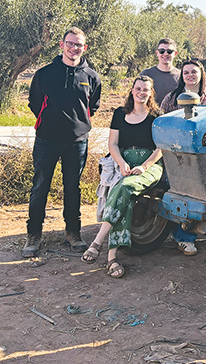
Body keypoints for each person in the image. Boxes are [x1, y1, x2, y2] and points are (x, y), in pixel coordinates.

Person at [23, 28, 102, 258]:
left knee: (72, 188)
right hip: (46, 140)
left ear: (84, 48)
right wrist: (50, 121)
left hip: (77, 142)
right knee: (40, 187)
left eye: (78, 45)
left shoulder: (92, 76)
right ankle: (34, 235)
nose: (74, 48)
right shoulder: (45, 74)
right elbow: (34, 103)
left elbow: (93, 107)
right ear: (61, 44)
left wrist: (77, 125)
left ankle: (73, 233)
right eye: (70, 43)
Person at [80, 76, 164, 278]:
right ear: (132, 90)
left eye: (146, 89)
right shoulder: (120, 113)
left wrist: (144, 166)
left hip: (150, 164)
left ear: (151, 93)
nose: (141, 92)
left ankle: (98, 240)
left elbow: (161, 148)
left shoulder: (157, 116)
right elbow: (113, 144)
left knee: (125, 186)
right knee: (125, 195)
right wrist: (121, 163)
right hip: (124, 160)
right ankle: (112, 258)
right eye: (138, 88)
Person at [160, 59, 206, 255]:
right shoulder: (171, 98)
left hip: (204, 156)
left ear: (201, 74)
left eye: (194, 72)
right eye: (186, 72)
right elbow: (161, 123)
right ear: (181, 76)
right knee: (179, 192)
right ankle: (183, 237)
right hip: (174, 154)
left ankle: (192, 232)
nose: (190, 75)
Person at [141, 38, 180, 105]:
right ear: (157, 53)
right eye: (162, 51)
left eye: (169, 51)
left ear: (175, 54)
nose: (165, 54)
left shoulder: (181, 76)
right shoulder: (146, 74)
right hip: (151, 111)